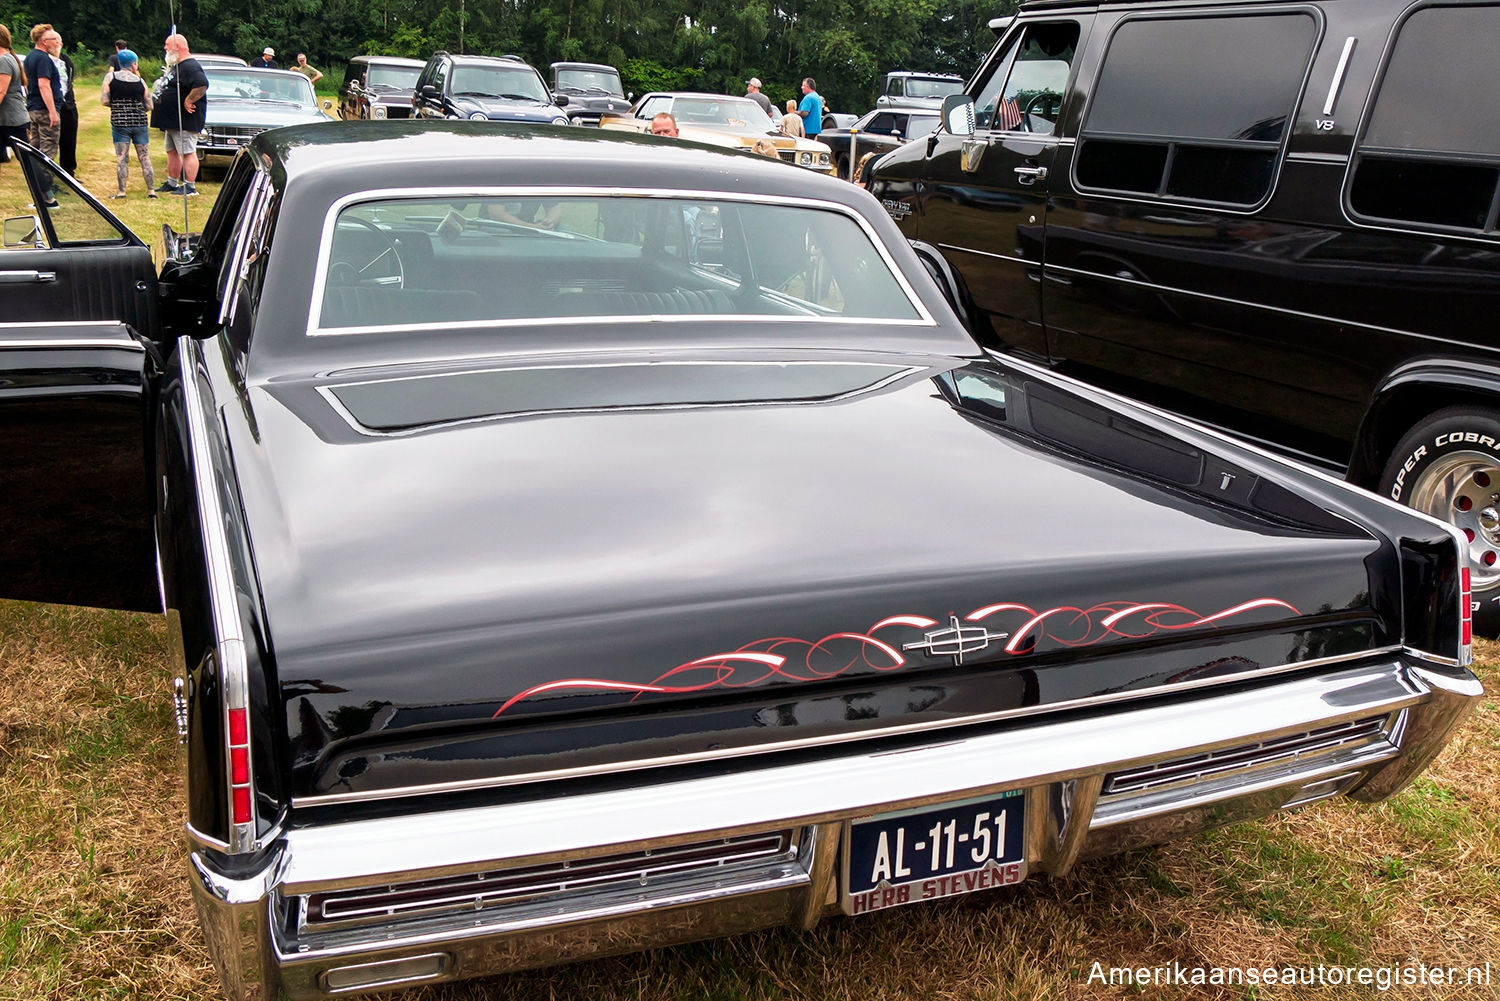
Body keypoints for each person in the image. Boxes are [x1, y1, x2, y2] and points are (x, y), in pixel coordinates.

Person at [151, 33, 208, 196]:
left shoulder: (190, 66)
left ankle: (190, 187)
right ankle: (172, 182)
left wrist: (189, 100)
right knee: (172, 151)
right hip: (173, 120)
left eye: (167, 45)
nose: (165, 48)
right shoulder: (178, 65)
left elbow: (202, 85)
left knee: (187, 152)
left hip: (185, 119)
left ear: (177, 47)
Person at [101, 48, 155, 198]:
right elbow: (149, 105)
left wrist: (118, 105)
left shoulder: (110, 77)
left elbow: (104, 100)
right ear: (134, 64)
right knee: (144, 156)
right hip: (139, 123)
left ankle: (122, 191)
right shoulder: (140, 81)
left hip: (120, 123)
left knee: (122, 157)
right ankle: (151, 191)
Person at [22, 25, 61, 205]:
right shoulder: (44, 59)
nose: (58, 43)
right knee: (47, 152)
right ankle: (48, 196)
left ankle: (38, 194)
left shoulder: (30, 57)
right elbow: (44, 85)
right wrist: (53, 111)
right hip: (45, 110)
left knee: (34, 151)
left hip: (33, 109)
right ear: (44, 42)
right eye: (54, 40)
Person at [0, 25, 27, 167]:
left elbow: (1, 91)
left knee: (28, 161)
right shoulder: (7, 58)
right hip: (4, 119)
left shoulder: (4, 60)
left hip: (12, 119)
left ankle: (45, 189)